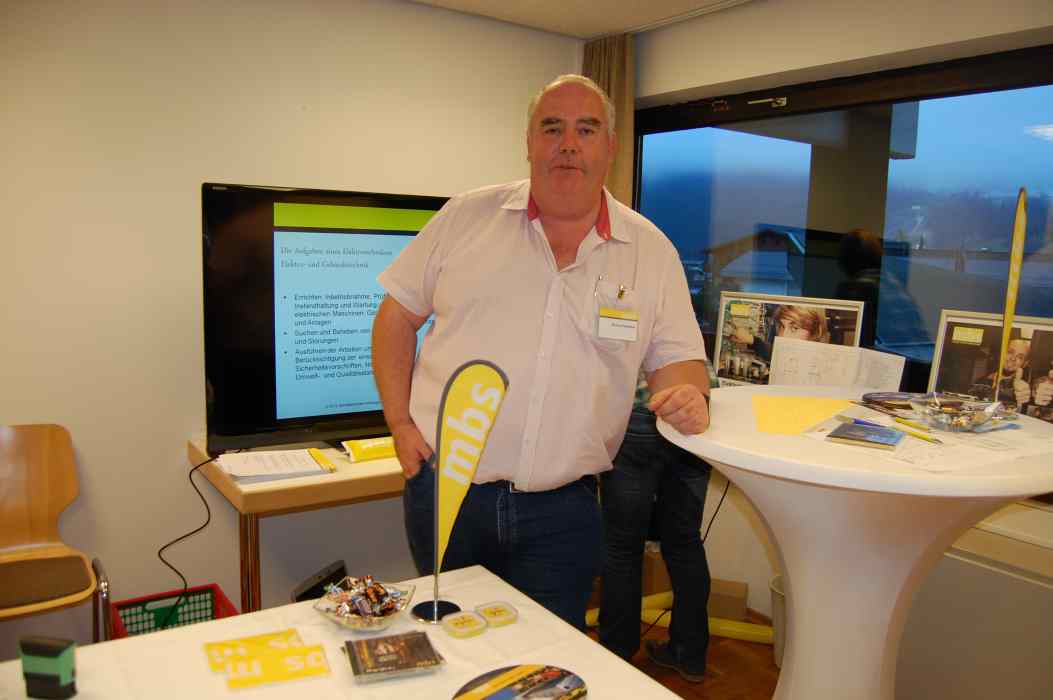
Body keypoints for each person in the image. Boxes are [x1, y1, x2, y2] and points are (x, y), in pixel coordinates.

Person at [371, 74, 711, 631]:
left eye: (586, 129)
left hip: (564, 512)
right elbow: (395, 315)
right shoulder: (466, 218)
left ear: (610, 146)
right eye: (552, 128)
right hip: (448, 492)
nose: (568, 144)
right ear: (528, 142)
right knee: (449, 646)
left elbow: (679, 362)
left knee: (547, 661)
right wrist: (399, 422)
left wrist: (688, 395)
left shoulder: (650, 252)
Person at [599, 368, 712, 682]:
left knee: (622, 547)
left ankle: (616, 655)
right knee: (685, 542)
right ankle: (689, 655)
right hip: (693, 413)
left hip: (638, 412)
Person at [970, 337, 1031, 411]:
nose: (1013, 358)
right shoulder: (981, 382)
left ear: (1025, 364)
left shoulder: (1022, 390)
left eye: (1020, 357)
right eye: (1010, 352)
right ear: (1001, 353)